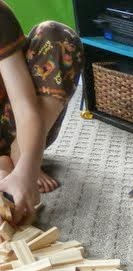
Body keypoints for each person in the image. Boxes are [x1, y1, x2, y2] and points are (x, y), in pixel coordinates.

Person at [0, 1, 84, 225]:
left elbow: (24, 106)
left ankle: (22, 156)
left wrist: (26, 171)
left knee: (57, 36)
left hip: (14, 125)